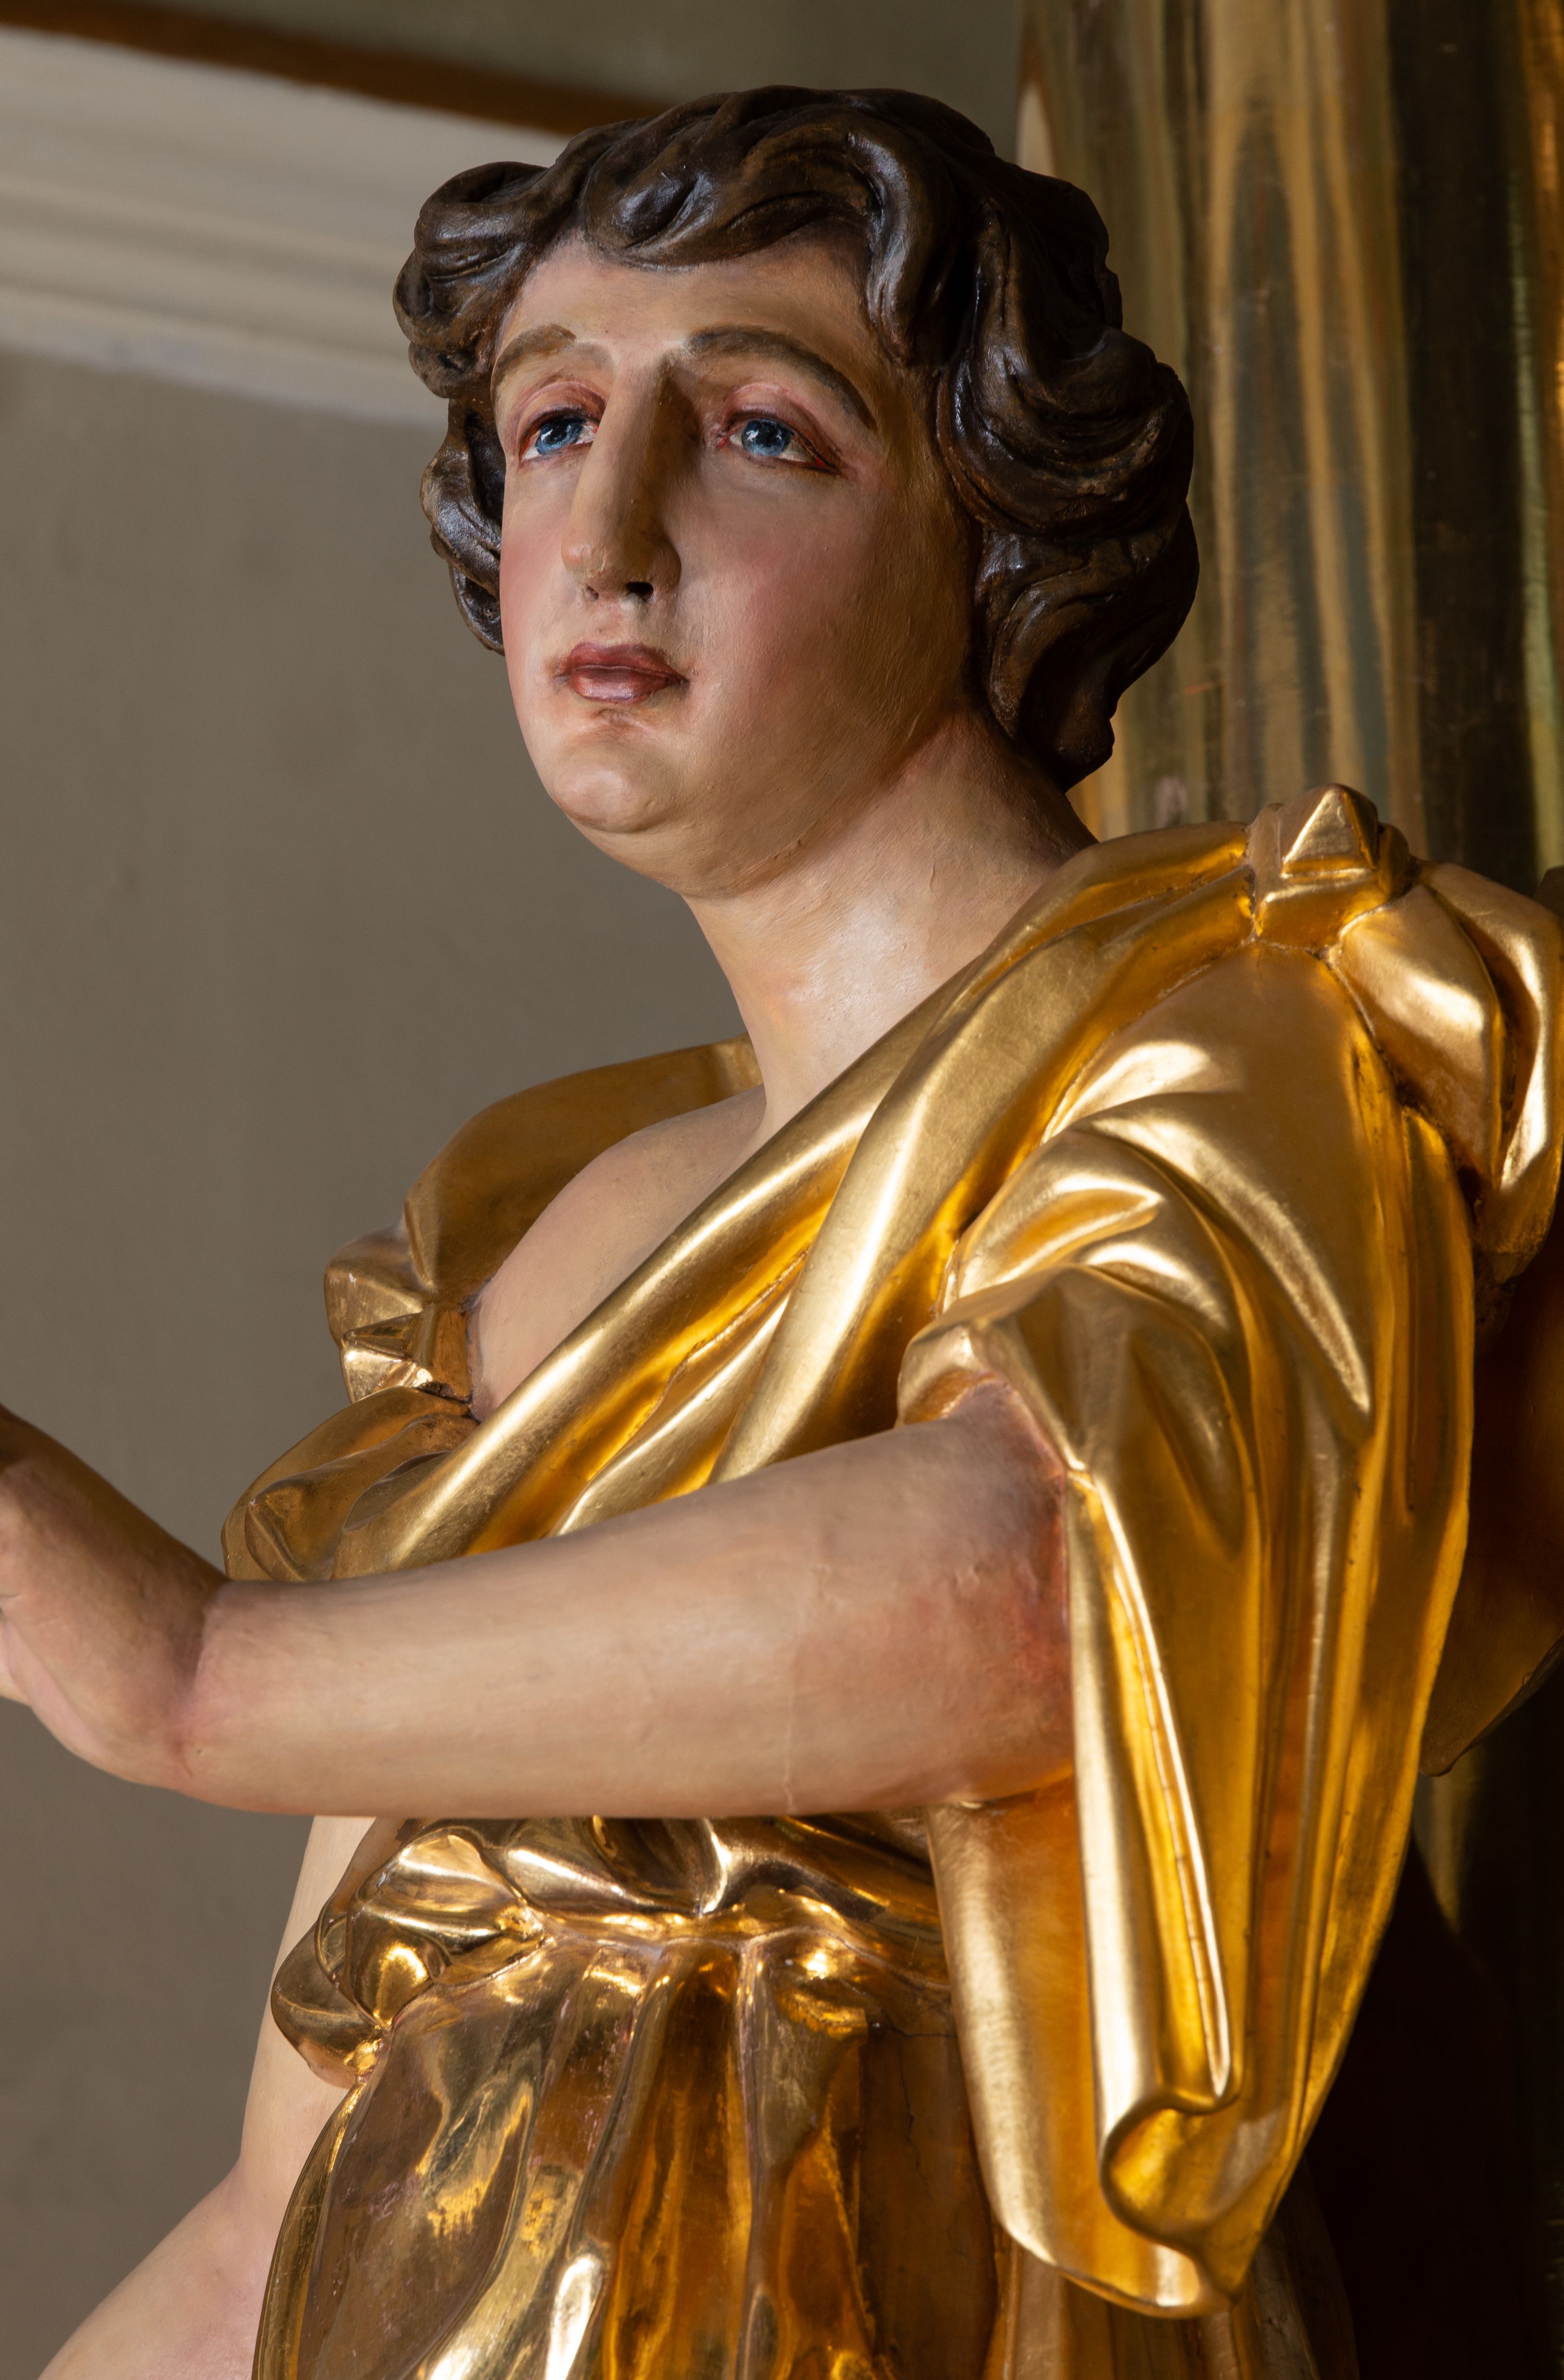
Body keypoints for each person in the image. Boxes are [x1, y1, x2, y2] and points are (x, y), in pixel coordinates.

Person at [6, 87, 1561, 2380]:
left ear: (999, 527)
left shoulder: (1232, 1019)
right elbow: (283, 2199)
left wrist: (199, 1675)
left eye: (757, 431)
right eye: (553, 428)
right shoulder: (555, 1239)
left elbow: (1055, 1582)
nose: (609, 532)